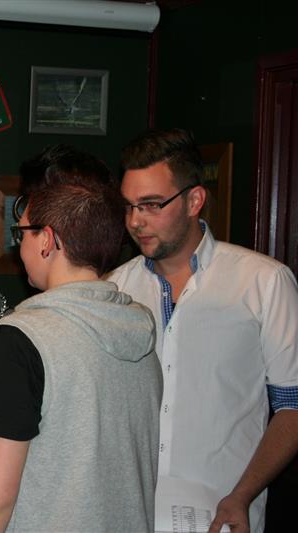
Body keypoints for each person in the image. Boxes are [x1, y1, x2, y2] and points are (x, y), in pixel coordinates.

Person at [0, 147, 163, 532]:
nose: (19, 246)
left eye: (22, 233)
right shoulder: (139, 330)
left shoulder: (21, 339)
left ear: (46, 240)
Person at [107, 128, 298, 533]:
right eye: (128, 206)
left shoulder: (263, 282)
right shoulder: (114, 290)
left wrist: (242, 495)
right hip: (125, 513)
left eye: (152, 204)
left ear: (194, 200)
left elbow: (292, 407)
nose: (136, 221)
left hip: (222, 515)